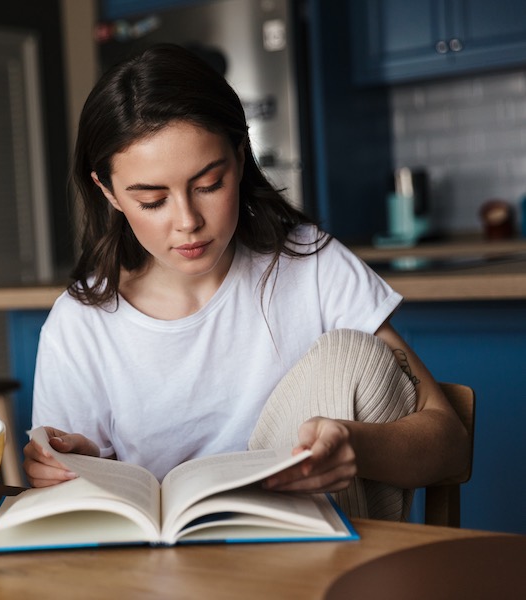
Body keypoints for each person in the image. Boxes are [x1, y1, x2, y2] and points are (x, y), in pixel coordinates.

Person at [24, 43, 467, 519]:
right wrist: (73, 472)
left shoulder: (310, 267)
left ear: (239, 158)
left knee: (351, 355)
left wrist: (357, 447)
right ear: (108, 191)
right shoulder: (80, 326)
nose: (187, 221)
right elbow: (69, 518)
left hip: (315, 563)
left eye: (209, 184)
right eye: (152, 201)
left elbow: (450, 444)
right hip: (163, 581)